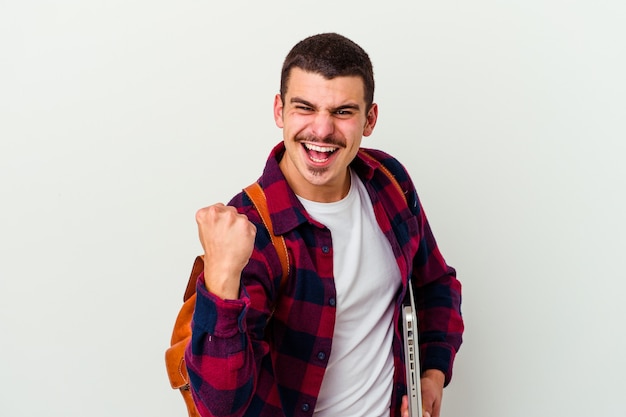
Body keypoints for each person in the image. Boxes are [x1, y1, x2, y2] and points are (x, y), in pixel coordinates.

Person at [185, 33, 464, 417]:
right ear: (279, 111)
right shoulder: (252, 232)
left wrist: (431, 375)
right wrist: (220, 276)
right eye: (305, 107)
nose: (321, 130)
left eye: (343, 112)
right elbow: (221, 404)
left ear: (370, 119)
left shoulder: (388, 181)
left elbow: (435, 285)